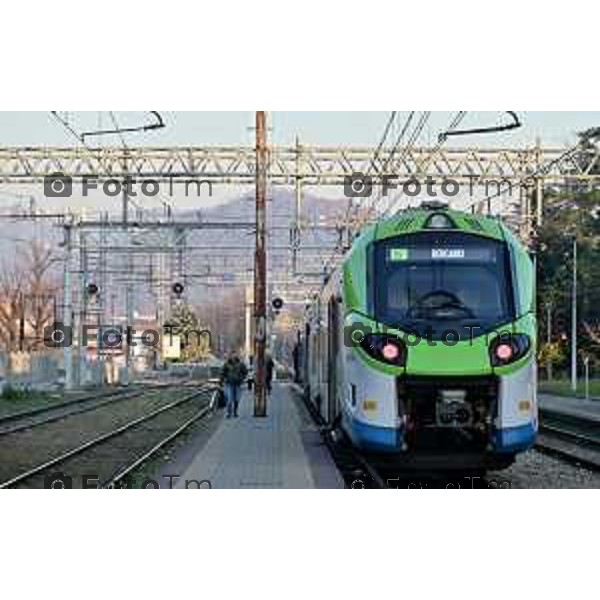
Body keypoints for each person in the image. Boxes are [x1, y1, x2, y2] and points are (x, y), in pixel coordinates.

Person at [220, 351, 248, 418]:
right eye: (232, 355)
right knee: (229, 399)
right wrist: (221, 381)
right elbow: (222, 373)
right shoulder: (227, 364)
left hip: (238, 384)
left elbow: (245, 372)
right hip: (229, 384)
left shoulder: (241, 364)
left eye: (235, 355)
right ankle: (228, 412)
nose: (234, 356)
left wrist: (242, 378)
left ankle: (235, 412)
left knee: (236, 399)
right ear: (230, 355)